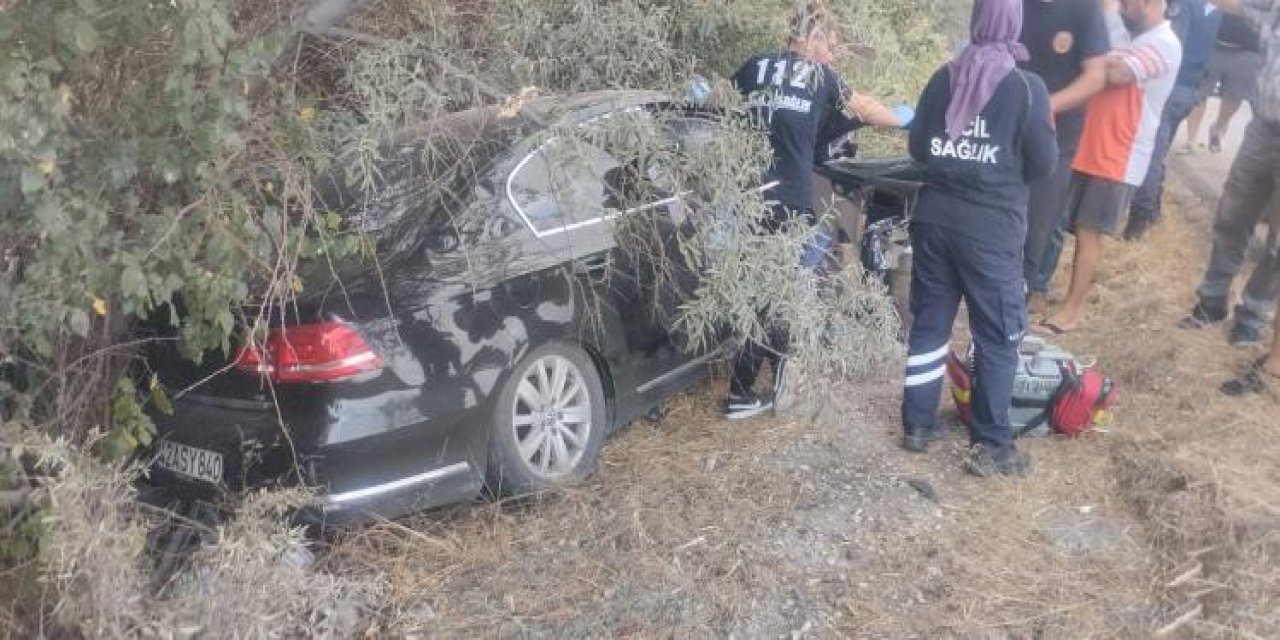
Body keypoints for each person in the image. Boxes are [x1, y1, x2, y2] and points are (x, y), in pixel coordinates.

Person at [724, 3, 908, 420]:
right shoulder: (819, 76)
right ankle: (751, 390)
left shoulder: (754, 66)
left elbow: (722, 109)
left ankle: (756, 384)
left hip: (747, 199)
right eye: (831, 44)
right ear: (814, 39)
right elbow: (865, 108)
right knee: (783, 294)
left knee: (763, 290)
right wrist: (905, 121)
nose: (832, 53)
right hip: (790, 201)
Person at [901, 0, 1058, 476]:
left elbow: (917, 147)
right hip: (990, 232)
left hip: (933, 221)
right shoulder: (1027, 89)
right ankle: (991, 446)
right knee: (999, 336)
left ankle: (916, 427)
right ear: (1014, 24)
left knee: (930, 325)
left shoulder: (942, 77)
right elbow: (1045, 164)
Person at [1040, 0, 1183, 335]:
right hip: (1088, 144)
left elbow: (1116, 75)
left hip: (1120, 155)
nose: (1121, 6)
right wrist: (1098, 59)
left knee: (1089, 233)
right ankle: (1038, 292)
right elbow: (1100, 62)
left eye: (1127, 2)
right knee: (1057, 221)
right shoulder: (1128, 33)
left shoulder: (1165, 43)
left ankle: (1072, 311)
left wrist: (1094, 59)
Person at [1181, 0, 1280, 346]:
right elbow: (1233, 5)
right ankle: (1211, 301)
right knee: (1232, 214)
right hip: (1263, 127)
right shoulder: (1273, 10)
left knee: (1277, 245)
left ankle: (1252, 317)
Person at [1018, 0, 1113, 318]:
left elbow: (1095, 76)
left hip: (1056, 138)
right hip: (1009, 128)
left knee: (1037, 224)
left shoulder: (1084, 9)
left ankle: (1020, 298)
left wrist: (1043, 105)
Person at [1124, 0, 1224, 240]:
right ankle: (1152, 211)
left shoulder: (1187, 7)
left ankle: (1140, 218)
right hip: (1189, 88)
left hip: (1174, 83)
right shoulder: (1216, 11)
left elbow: (1173, 44)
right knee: (1159, 149)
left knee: (1152, 150)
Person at [1181, 11, 1264, 153]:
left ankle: (1218, 127)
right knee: (1200, 92)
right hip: (1213, 41)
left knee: (1234, 96)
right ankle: (1191, 140)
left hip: (1248, 49)